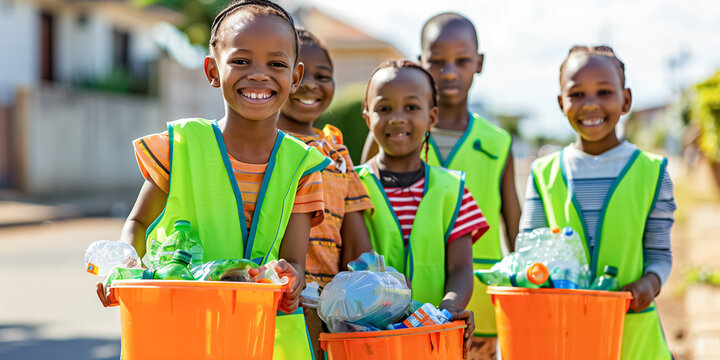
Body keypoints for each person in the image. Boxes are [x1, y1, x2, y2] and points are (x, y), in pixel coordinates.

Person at [95, 1, 330, 358]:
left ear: (294, 78)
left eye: (276, 64)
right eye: (240, 61)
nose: (258, 74)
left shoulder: (303, 167)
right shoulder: (179, 148)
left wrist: (291, 277)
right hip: (179, 329)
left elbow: (294, 261)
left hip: (263, 336)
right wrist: (125, 268)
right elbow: (139, 222)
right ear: (212, 70)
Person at [520, 45, 675, 360]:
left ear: (626, 100)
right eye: (577, 95)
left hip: (633, 337)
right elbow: (528, 249)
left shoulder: (652, 172)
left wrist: (649, 283)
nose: (591, 105)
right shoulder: (543, 173)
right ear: (560, 102)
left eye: (604, 92)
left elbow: (659, 254)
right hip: (563, 335)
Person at [358, 60, 490, 358]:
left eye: (412, 108)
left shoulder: (452, 190)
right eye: (384, 108)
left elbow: (460, 268)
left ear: (432, 117)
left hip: (434, 341)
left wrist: (450, 307)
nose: (397, 118)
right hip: (367, 342)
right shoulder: (351, 186)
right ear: (367, 117)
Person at [277, 27, 373, 358]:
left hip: (326, 303)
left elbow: (355, 231)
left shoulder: (336, 151)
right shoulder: (264, 146)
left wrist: (363, 289)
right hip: (274, 293)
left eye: (324, 75)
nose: (312, 84)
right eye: (300, 72)